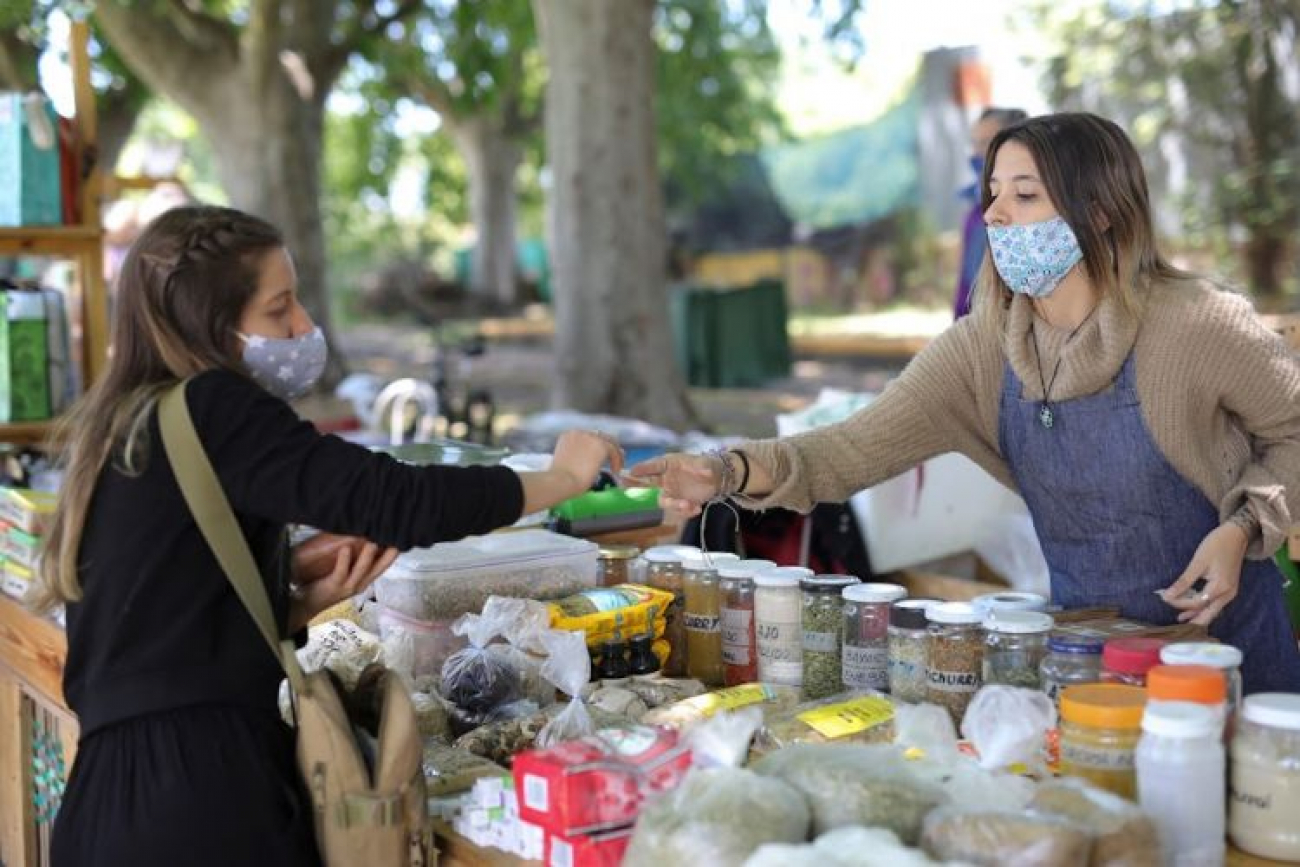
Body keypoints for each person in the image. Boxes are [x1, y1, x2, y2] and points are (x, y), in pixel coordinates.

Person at [630, 112, 1300, 695]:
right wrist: (724, 470)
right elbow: (847, 449)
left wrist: (1242, 528)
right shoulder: (982, 350)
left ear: (1099, 212)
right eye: (993, 193)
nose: (995, 214)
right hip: (1087, 665)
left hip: (1233, 661)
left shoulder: (1193, 325)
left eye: (1025, 194)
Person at [36, 205, 623, 866]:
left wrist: (284, 603)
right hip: (199, 800)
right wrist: (560, 476)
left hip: (107, 803)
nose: (303, 327)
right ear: (213, 323)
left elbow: (150, 622)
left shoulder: (123, 423)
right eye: (279, 307)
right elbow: (396, 498)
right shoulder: (215, 406)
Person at [953, 107, 1028, 319]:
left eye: (986, 143)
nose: (977, 153)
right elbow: (964, 283)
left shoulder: (1031, 215)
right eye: (975, 143)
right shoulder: (973, 213)